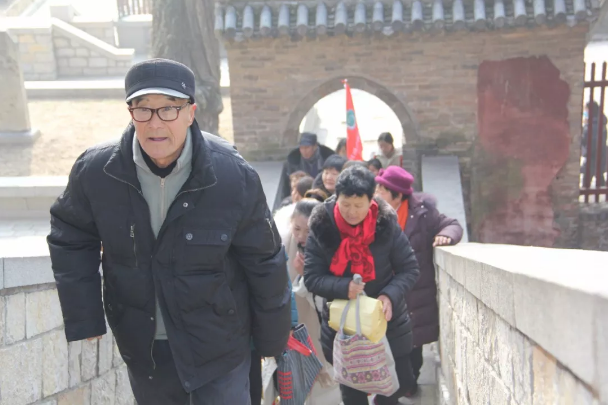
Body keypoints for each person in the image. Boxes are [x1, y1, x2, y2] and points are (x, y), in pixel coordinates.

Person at [47, 58, 292, 405]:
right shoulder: (98, 172)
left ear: (190, 113)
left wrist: (272, 340)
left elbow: (264, 259)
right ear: (130, 113)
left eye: (168, 109)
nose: (155, 122)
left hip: (220, 345)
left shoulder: (232, 175)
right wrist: (84, 314)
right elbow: (69, 235)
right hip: (145, 349)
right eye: (143, 109)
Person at [304, 166, 420, 405]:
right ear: (336, 197)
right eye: (345, 204)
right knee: (353, 394)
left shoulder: (386, 224)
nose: (352, 212)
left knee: (399, 383)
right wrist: (343, 287)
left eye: (359, 205)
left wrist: (389, 295)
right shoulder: (322, 226)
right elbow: (312, 277)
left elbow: (409, 268)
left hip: (385, 323)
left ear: (371, 200)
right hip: (344, 328)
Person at [374, 166, 463, 395]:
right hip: (387, 289)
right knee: (389, 344)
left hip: (416, 292)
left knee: (413, 344)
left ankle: (408, 385)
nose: (377, 193)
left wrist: (446, 236)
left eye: (382, 189)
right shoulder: (375, 214)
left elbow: (453, 224)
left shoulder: (423, 214)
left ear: (397, 195)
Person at [271, 199, 342, 405]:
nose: (301, 236)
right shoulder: (282, 244)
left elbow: (330, 293)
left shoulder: (330, 246)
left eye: (308, 230)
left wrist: (307, 277)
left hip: (323, 328)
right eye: (297, 229)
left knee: (325, 386)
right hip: (294, 328)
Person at [274, 133, 335, 210]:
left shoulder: (327, 159)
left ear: (315, 146)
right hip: (299, 196)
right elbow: (285, 186)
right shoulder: (293, 162)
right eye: (301, 148)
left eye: (307, 147)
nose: (304, 151)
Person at [581, 101, 608, 188]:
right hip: (599, 155)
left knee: (586, 183)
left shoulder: (594, 125)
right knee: (599, 180)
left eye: (586, 110)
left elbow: (590, 141)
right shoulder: (598, 122)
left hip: (592, 156)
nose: (585, 112)